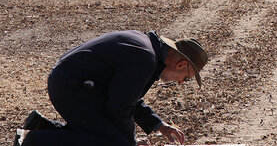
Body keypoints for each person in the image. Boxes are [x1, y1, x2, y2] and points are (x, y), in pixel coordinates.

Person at [13, 30, 208, 146]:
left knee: (107, 137)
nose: (181, 82)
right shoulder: (144, 58)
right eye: (186, 78)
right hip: (73, 87)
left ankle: (40, 128)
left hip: (77, 85)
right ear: (181, 64)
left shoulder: (147, 51)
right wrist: (129, 142)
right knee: (114, 142)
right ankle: (35, 140)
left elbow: (126, 97)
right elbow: (119, 107)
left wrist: (157, 124)